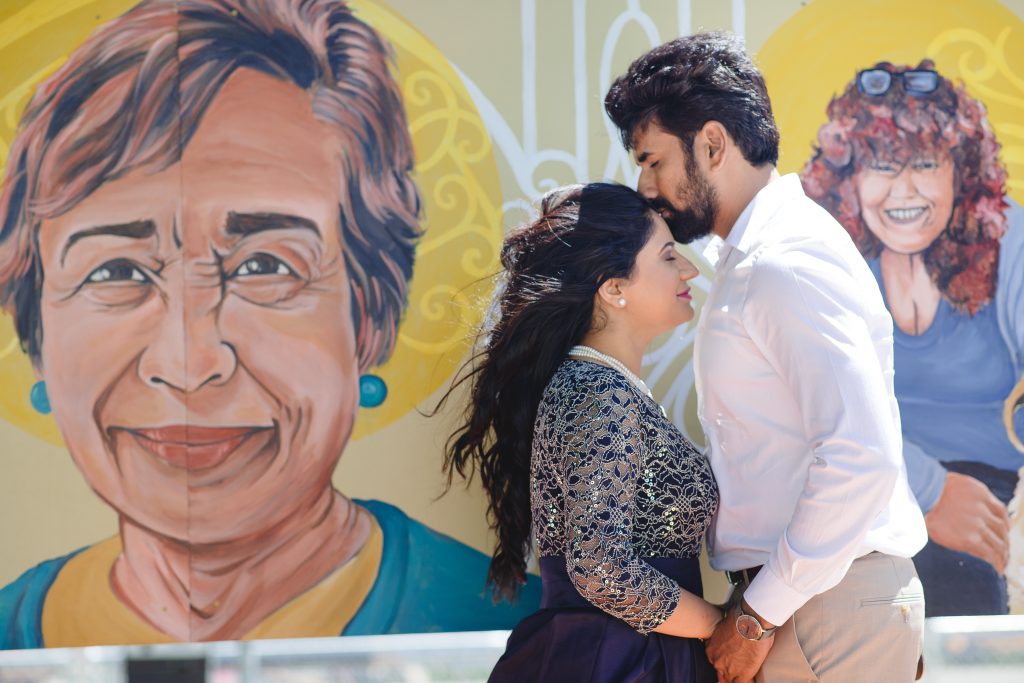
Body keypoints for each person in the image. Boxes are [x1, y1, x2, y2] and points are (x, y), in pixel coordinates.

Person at [0, 0, 538, 648]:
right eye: (116, 271)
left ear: (369, 318)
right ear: (37, 334)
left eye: (264, 265)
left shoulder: (515, 637)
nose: (190, 364)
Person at [605, 32, 929, 683]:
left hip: (822, 607)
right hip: (811, 603)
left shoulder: (783, 261)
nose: (644, 185)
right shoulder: (756, 258)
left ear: (712, 144)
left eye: (652, 160)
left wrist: (757, 614)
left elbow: (861, 455)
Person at [442, 182, 721, 682]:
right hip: (618, 661)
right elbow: (600, 566)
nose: (690, 270)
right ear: (613, 289)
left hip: (629, 654)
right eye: (667, 256)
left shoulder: (605, 387)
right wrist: (722, 627)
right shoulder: (597, 391)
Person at [800, 60, 1024, 616]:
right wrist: (928, 489)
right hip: (871, 493)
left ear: (961, 172)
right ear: (849, 180)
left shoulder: (1010, 240)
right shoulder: (825, 260)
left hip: (1003, 501)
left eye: (925, 163)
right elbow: (810, 409)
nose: (904, 190)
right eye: (882, 166)